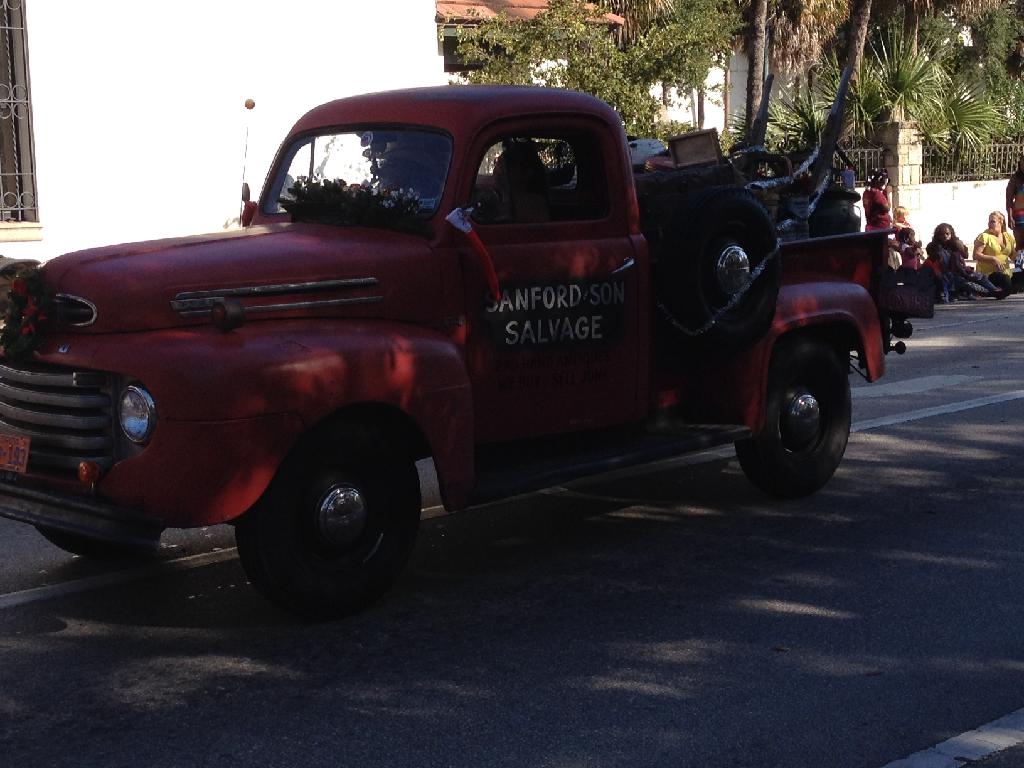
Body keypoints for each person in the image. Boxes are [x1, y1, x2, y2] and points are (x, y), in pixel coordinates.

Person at [925, 223, 1003, 301]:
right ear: (938, 235)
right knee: (968, 284)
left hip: (961, 272)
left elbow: (965, 256)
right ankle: (991, 293)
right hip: (948, 276)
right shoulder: (934, 247)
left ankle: (994, 290)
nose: (945, 236)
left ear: (951, 234)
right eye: (942, 234)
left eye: (947, 234)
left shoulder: (955, 244)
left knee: (980, 277)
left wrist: (961, 247)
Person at [973, 210, 1015, 294]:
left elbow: (1012, 255)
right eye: (989, 222)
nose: (989, 224)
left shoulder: (1008, 236)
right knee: (1005, 281)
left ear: (1001, 222)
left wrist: (1019, 255)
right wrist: (993, 259)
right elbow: (975, 255)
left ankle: (1003, 290)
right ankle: (989, 290)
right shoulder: (984, 236)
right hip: (988, 275)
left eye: (992, 222)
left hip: (1006, 272)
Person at [1005, 154, 1024, 246]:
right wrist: (1010, 217)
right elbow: (1009, 199)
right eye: (1022, 164)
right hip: (1020, 217)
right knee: (1020, 245)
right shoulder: (1015, 179)